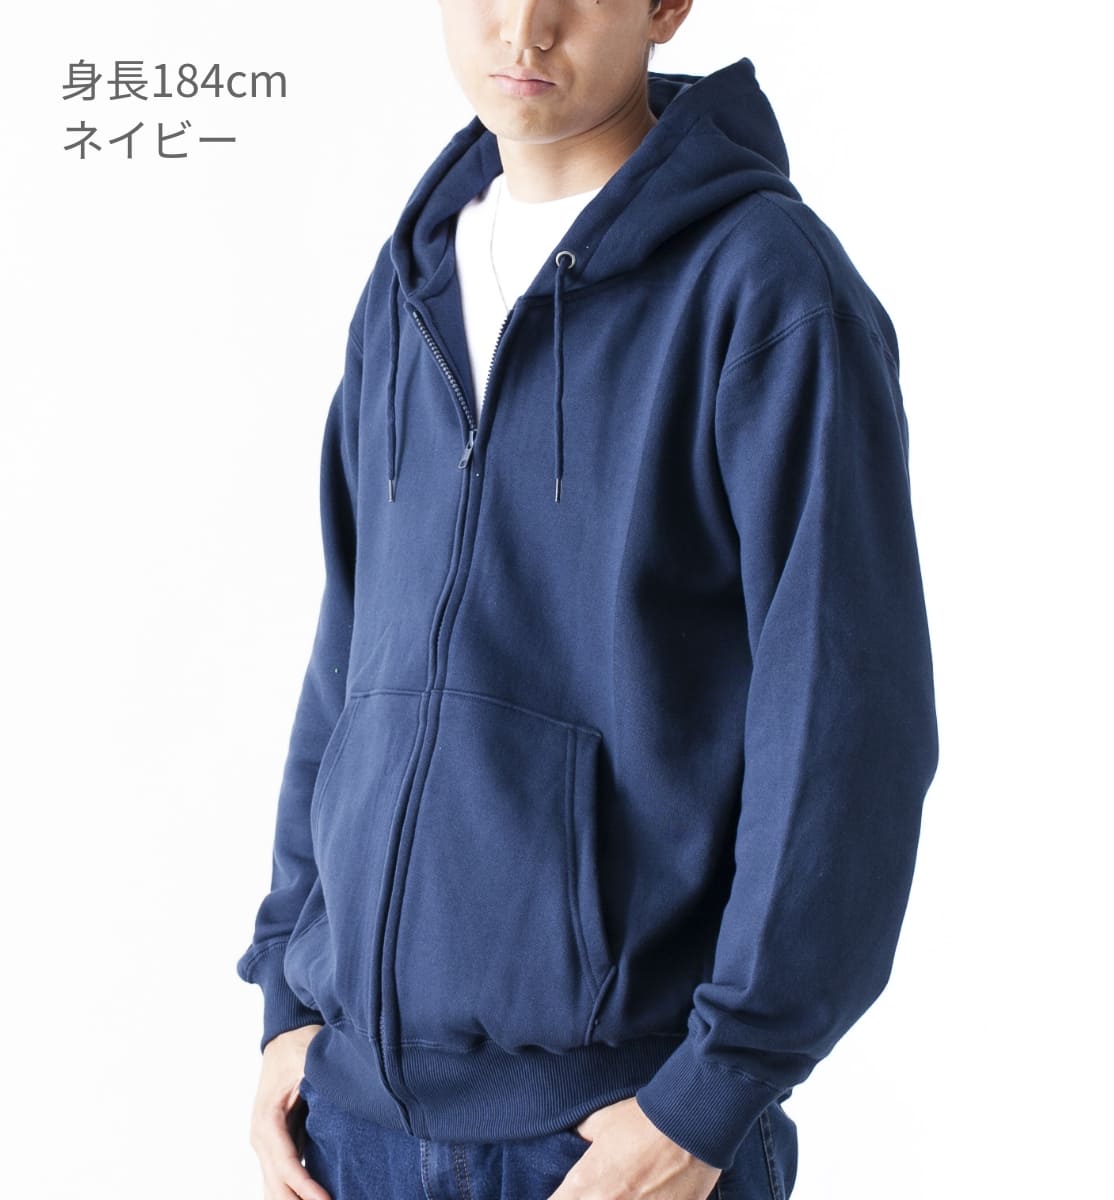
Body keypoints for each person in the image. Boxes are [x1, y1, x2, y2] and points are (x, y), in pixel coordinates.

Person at [235, 1, 940, 1197]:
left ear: (667, 5)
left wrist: (712, 1096)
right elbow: (349, 658)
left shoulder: (767, 289)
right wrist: (289, 1005)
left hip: (611, 1134)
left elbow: (844, 720)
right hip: (351, 1125)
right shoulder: (409, 283)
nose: (523, 27)